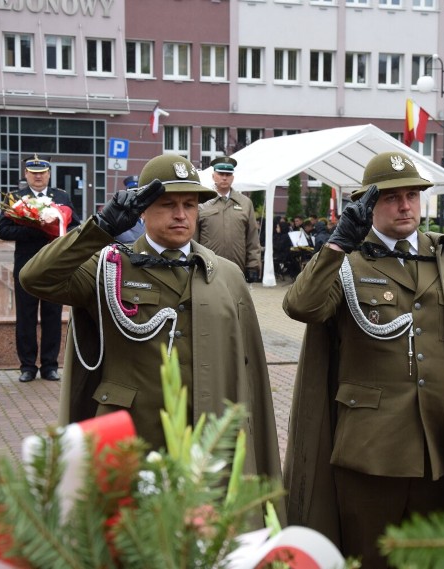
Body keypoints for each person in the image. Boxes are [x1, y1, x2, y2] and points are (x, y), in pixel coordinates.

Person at [282, 151, 444, 567]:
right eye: (391, 197)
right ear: (367, 203)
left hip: (440, 448)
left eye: (413, 195)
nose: (405, 205)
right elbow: (302, 306)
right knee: (370, 557)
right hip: (370, 452)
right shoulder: (346, 262)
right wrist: (335, 244)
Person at [18, 154, 281, 481]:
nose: (181, 214)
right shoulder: (108, 266)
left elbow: (249, 369)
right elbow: (35, 278)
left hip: (208, 445)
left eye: (190, 204)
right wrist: (100, 228)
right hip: (130, 444)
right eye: (167, 204)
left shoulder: (226, 275)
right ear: (142, 209)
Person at [0, 155, 80, 383]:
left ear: (49, 174)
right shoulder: (16, 198)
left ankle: (50, 366)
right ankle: (27, 366)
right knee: (26, 317)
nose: (38, 176)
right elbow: (2, 231)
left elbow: (74, 226)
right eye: (33, 173)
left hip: (53, 266)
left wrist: (55, 229)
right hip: (26, 266)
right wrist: (34, 230)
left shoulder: (61, 197)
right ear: (26, 175)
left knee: (53, 316)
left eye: (42, 173)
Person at [195, 156, 262, 283]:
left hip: (237, 269)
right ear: (213, 176)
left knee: (236, 302)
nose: (224, 177)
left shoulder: (245, 203)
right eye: (220, 174)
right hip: (208, 268)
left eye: (228, 174)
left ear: (233, 177)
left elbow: (252, 238)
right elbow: (194, 237)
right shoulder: (202, 202)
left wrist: (253, 264)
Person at [114, 175, 146, 243]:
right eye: (132, 193)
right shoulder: (118, 219)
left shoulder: (153, 215)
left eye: (139, 193)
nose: (136, 196)